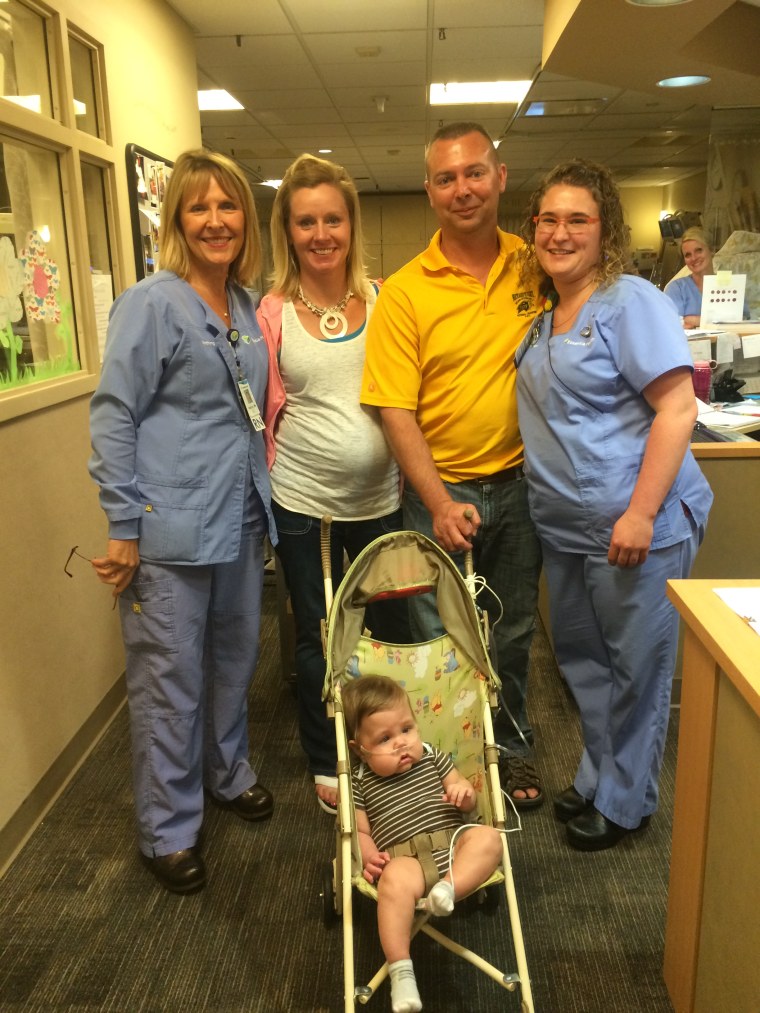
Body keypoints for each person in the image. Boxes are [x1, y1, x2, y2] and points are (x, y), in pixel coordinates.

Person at [89, 149, 278, 893]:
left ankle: (227, 773)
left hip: (237, 518)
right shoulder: (152, 303)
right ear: (176, 220)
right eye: (198, 207)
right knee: (170, 679)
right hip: (168, 527)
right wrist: (122, 521)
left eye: (227, 206)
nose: (215, 220)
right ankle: (167, 827)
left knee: (232, 662)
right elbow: (113, 415)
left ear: (244, 219)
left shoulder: (245, 306)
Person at [515, 159, 713, 851]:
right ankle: (600, 772)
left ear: (606, 233)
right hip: (569, 527)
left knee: (636, 668)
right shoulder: (546, 312)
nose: (561, 232)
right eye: (549, 218)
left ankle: (628, 800)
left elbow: (677, 408)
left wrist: (639, 512)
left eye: (578, 220)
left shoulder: (630, 301)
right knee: (584, 661)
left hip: (637, 522)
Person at [360, 122, 543, 809]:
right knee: (433, 639)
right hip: (438, 493)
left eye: (474, 172)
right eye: (446, 177)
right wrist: (437, 501)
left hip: (523, 487)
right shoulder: (406, 291)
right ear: (430, 191)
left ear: (500, 176)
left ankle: (514, 746)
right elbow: (394, 410)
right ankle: (439, 767)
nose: (461, 188)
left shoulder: (537, 266)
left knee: (515, 629)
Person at [257, 154, 409, 815]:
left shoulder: (385, 299)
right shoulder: (271, 312)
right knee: (319, 636)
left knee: (388, 629)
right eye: (306, 221)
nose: (321, 233)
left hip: (380, 502)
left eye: (333, 219)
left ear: (352, 224)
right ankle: (327, 756)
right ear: (288, 230)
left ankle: (391, 741)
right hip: (301, 503)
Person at [342, 675, 502, 1013]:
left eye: (406, 730)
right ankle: (402, 973)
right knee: (394, 881)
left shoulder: (433, 757)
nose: (401, 743)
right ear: (360, 750)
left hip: (455, 846)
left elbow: (468, 797)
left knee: (489, 838)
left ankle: (449, 888)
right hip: (405, 861)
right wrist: (369, 855)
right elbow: (361, 833)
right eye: (384, 738)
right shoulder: (359, 782)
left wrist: (464, 797)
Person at [664, 227, 715, 328]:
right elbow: (672, 326)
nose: (694, 258)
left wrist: (693, 320)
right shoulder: (676, 289)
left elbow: (741, 321)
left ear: (712, 250)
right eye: (688, 255)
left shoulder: (729, 285)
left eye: (699, 250)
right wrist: (718, 321)